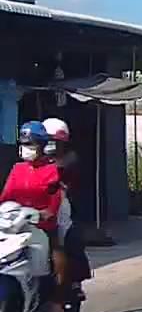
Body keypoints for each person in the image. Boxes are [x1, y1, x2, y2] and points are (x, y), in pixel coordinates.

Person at [0, 121, 66, 312]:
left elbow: (54, 201)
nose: (26, 148)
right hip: (15, 224)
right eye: (24, 144)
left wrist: (45, 213)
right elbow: (6, 196)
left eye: (31, 144)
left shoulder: (53, 170)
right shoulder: (18, 168)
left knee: (57, 255)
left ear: (42, 146)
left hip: (42, 225)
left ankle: (56, 300)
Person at [43, 117, 91, 293]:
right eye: (48, 141)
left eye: (56, 142)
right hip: (34, 206)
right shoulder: (28, 162)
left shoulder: (70, 159)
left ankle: (74, 282)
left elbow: (72, 185)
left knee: (67, 239)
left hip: (59, 205)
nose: (51, 146)